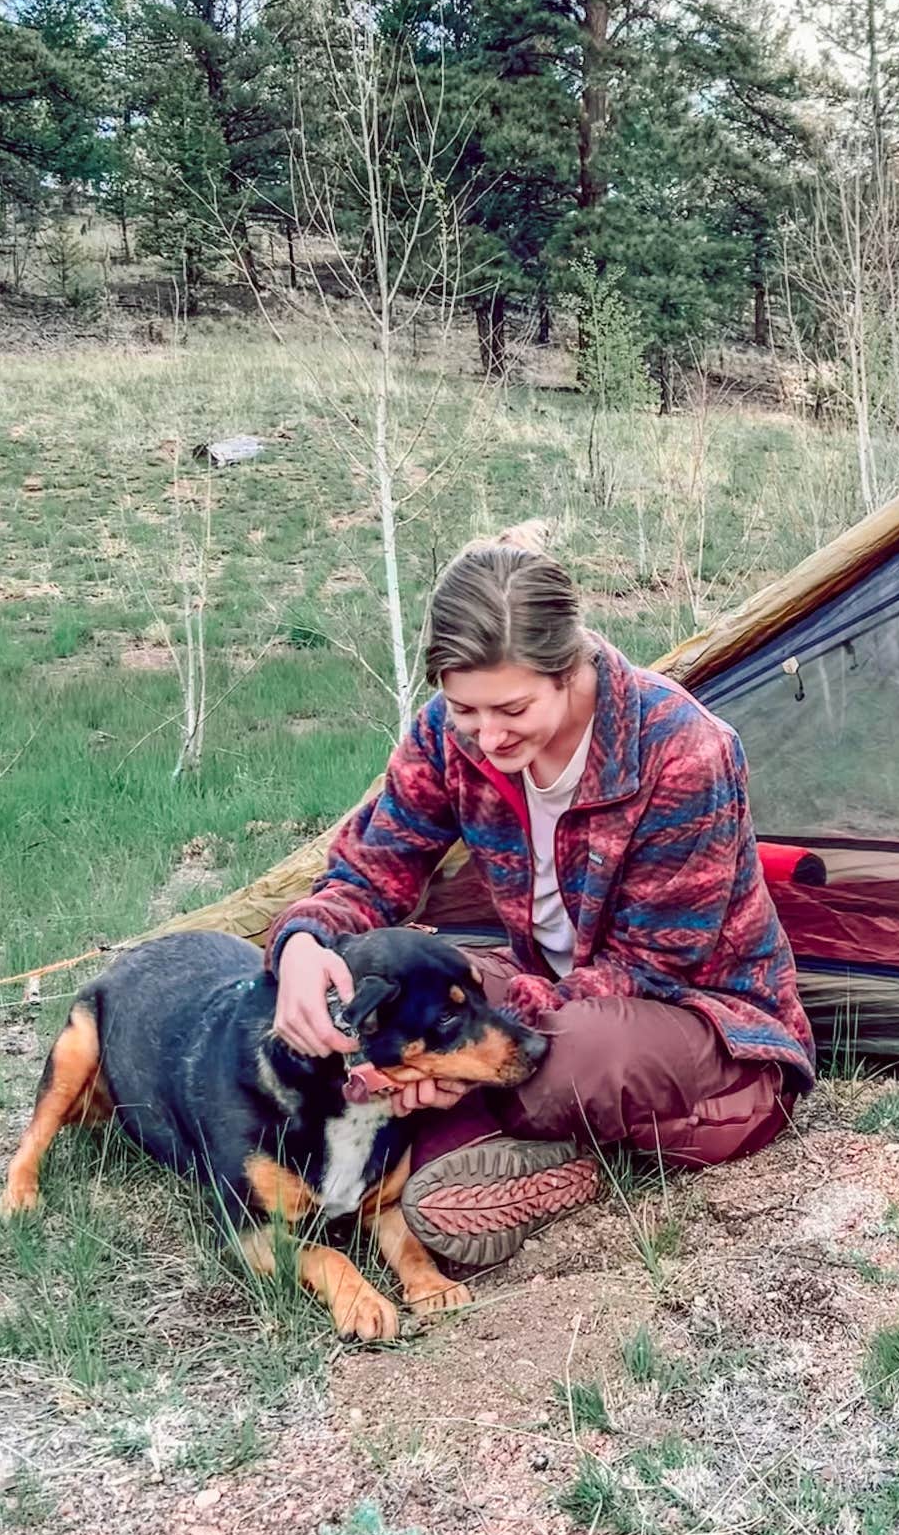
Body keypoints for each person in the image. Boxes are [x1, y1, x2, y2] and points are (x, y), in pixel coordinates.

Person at [267, 535, 815, 1272]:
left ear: (570, 668)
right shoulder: (448, 735)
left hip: (699, 1014)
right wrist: (304, 944)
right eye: (465, 708)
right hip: (546, 989)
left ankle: (483, 1141)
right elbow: (373, 868)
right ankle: (496, 1148)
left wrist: (482, 1046)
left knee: (565, 1055)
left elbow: (654, 965)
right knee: (415, 995)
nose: (487, 736)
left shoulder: (683, 751)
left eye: (513, 708)